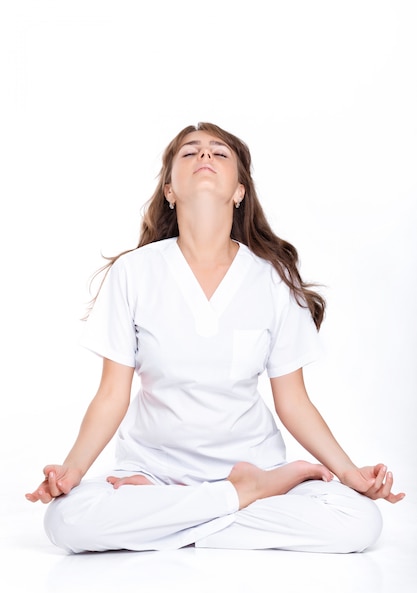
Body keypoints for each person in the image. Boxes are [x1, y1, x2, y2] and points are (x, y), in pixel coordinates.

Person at [26, 122, 405, 554]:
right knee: (66, 521)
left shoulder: (272, 280)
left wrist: (351, 471)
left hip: (251, 461)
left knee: (359, 522)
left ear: (239, 191)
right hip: (154, 474)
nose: (204, 156)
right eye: (189, 153)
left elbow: (293, 401)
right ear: (169, 190)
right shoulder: (133, 273)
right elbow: (112, 394)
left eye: (219, 153)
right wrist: (73, 471)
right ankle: (242, 495)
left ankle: (178, 518)